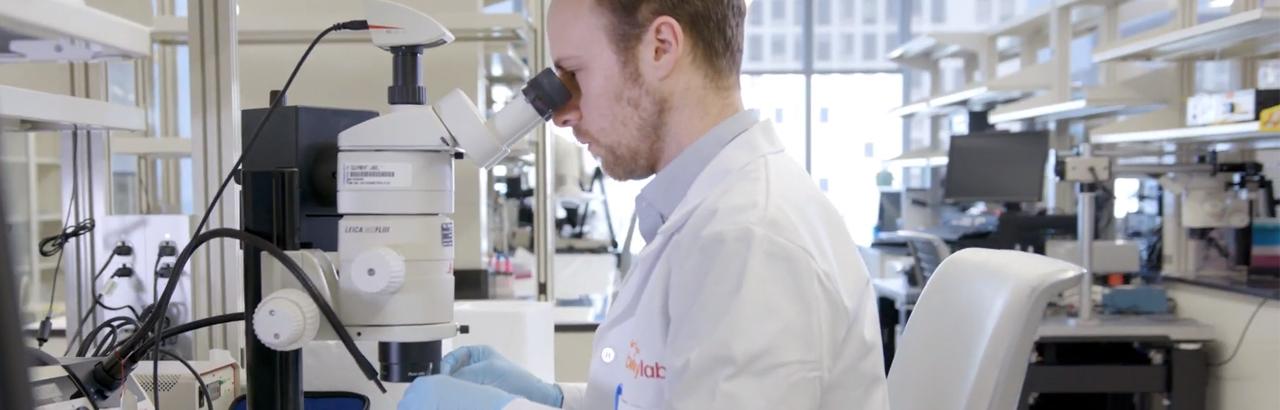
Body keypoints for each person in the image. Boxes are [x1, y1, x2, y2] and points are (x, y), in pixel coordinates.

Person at [399, 0, 888, 408]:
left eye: (574, 73)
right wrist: (559, 400)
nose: (562, 113)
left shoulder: (750, 236)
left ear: (661, 48)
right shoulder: (709, 211)